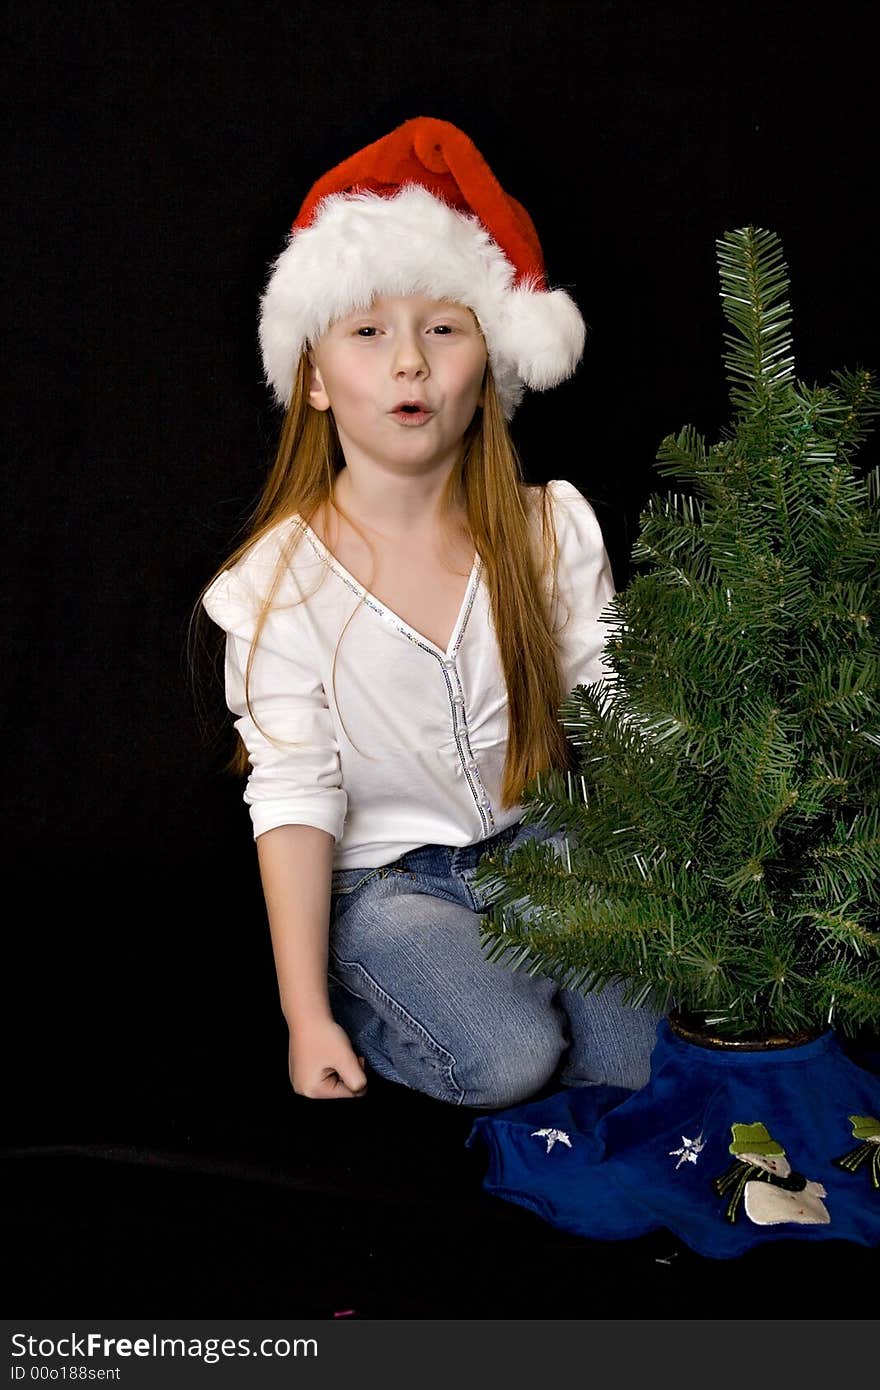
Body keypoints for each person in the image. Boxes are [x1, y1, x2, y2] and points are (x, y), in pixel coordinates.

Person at [199, 116, 661, 1107]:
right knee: (508, 1058)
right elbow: (290, 796)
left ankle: (532, 975)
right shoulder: (279, 584)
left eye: (442, 329)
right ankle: (384, 992)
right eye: (368, 332)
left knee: (635, 1057)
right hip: (390, 889)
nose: (408, 362)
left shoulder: (549, 529)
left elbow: (611, 713)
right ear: (315, 377)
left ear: (487, 369)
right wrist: (304, 1015)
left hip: (543, 844)